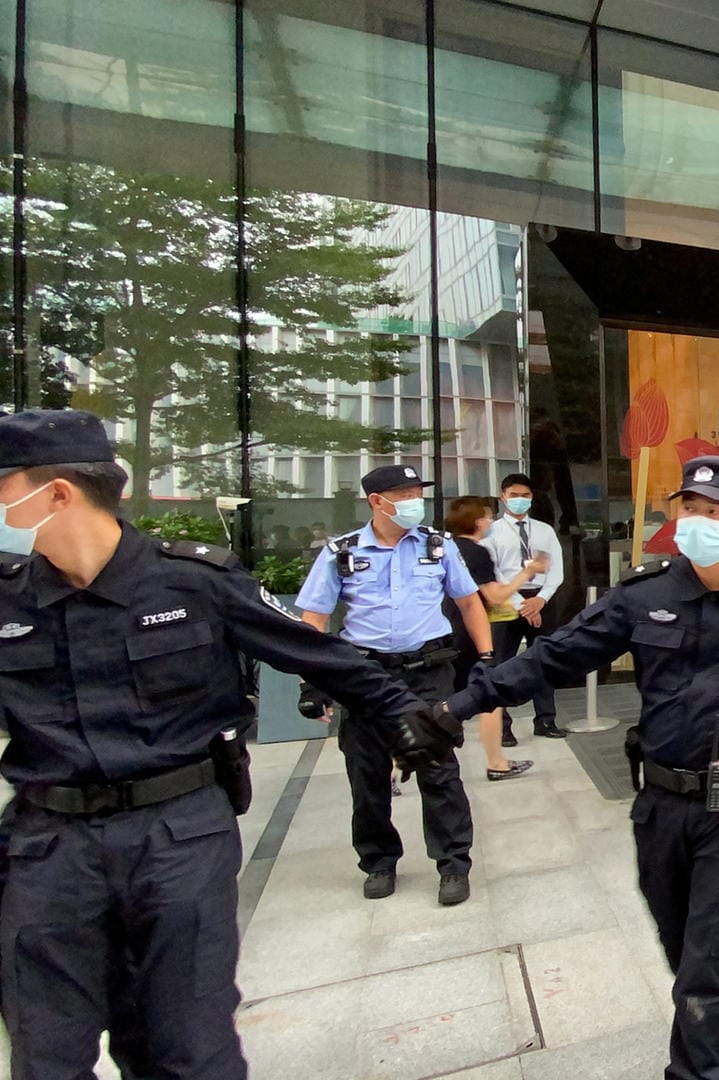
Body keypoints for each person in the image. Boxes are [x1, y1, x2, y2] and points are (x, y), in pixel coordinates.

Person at [0, 410, 452, 1079]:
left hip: (176, 834)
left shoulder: (194, 583)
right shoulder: (9, 602)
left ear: (57, 493)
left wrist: (405, 719)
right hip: (48, 845)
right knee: (46, 1052)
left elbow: (321, 653)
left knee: (186, 1043)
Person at [447, 455, 719, 1080]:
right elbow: (550, 659)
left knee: (705, 975)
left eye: (718, 512)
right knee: (684, 945)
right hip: (660, 805)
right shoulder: (643, 596)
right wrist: (457, 708)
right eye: (691, 508)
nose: (700, 521)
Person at [296, 464, 488, 906]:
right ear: (376, 502)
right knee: (367, 775)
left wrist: (487, 658)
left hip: (427, 672)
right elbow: (315, 619)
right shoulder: (341, 552)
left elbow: (469, 603)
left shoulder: (438, 547)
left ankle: (453, 864)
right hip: (365, 675)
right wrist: (314, 682)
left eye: (416, 492)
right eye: (402, 494)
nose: (412, 501)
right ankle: (379, 861)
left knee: (438, 769)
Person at [445, 495, 540, 781]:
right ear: (477, 522)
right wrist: (528, 573)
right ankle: (496, 763)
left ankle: (394, 767)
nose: (490, 522)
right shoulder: (476, 553)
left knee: (442, 700)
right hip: (472, 634)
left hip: (446, 630)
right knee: (488, 697)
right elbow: (494, 595)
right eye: (487, 517)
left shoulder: (446, 548)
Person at [485, 473, 567, 743]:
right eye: (514, 495)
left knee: (544, 659)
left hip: (541, 600)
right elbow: (492, 571)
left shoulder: (544, 530)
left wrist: (540, 600)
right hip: (506, 600)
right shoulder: (492, 532)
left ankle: (545, 719)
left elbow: (556, 570)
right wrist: (521, 604)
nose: (520, 500)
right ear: (503, 497)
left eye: (526, 495)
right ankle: (503, 726)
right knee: (502, 664)